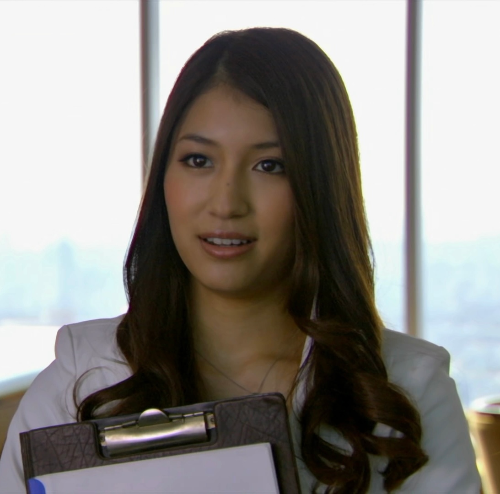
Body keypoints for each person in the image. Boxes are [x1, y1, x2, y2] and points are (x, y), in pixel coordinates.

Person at [0, 27, 480, 493]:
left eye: (270, 166)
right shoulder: (81, 382)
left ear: (321, 187)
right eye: (198, 160)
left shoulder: (408, 393)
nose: (226, 202)